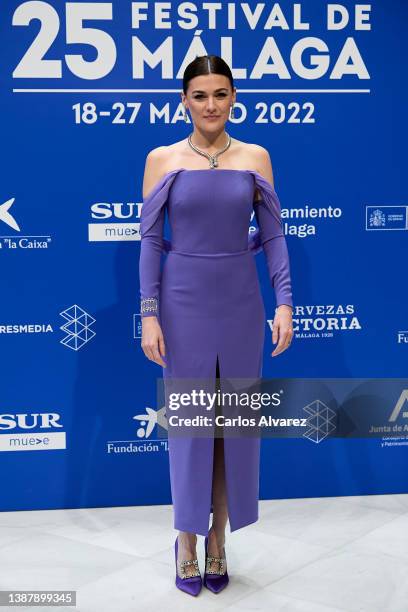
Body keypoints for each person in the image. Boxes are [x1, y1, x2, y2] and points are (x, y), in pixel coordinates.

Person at [139, 54, 294, 596]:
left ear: (233, 98)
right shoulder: (162, 159)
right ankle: (185, 539)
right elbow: (151, 241)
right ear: (185, 100)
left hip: (240, 300)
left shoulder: (256, 157)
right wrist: (149, 313)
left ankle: (218, 541)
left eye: (220, 94)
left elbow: (273, 236)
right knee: (189, 428)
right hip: (183, 300)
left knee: (233, 431)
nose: (210, 105)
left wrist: (284, 303)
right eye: (200, 95)